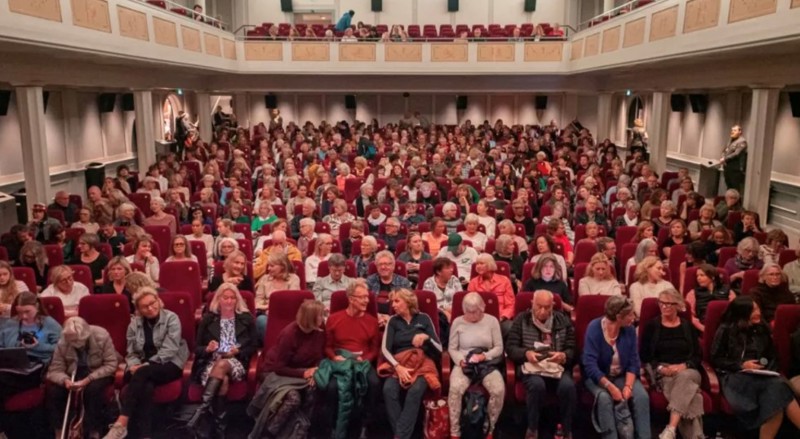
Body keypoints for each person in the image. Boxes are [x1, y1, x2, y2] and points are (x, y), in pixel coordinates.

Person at [103, 287, 188, 439]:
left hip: (169, 363)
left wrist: (145, 366)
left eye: (152, 303)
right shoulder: (134, 325)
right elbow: (132, 352)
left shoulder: (171, 318)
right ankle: (146, 435)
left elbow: (170, 350)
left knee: (142, 374)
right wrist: (134, 365)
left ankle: (121, 422)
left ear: (158, 300)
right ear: (139, 309)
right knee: (146, 386)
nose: (150, 308)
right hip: (143, 368)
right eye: (145, 306)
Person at [710, 296, 800, 438]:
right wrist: (741, 365)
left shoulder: (762, 327)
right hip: (735, 376)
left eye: (758, 308)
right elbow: (716, 359)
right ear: (742, 313)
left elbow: (770, 355)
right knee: (779, 394)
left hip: (762, 375)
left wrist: (763, 365)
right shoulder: (726, 329)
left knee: (777, 390)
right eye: (753, 310)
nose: (758, 313)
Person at [188, 283, 258, 437]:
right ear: (218, 299)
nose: (229, 301)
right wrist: (207, 349)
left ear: (237, 300)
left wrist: (238, 351)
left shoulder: (246, 319)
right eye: (225, 298)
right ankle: (221, 428)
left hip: (236, 362)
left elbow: (254, 346)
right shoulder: (208, 319)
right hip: (210, 363)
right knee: (223, 381)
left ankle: (201, 413)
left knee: (223, 364)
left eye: (232, 298)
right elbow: (196, 348)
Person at [250, 300, 326, 438]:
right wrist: (304, 373)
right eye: (320, 315)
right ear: (310, 318)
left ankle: (300, 431)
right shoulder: (289, 334)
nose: (323, 318)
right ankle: (269, 433)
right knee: (293, 398)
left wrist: (315, 371)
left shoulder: (319, 330)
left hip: (303, 371)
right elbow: (279, 367)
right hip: (277, 372)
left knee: (313, 390)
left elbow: (320, 355)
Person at [506, 290, 576, 439]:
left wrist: (563, 356)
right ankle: (532, 429)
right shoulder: (521, 320)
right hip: (532, 369)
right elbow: (511, 348)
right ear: (532, 304)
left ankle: (566, 429)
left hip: (556, 368)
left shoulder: (563, 320)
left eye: (547, 307)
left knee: (568, 386)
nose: (542, 311)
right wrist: (526, 353)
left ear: (553, 306)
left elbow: (572, 349)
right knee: (537, 386)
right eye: (539, 306)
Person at [582, 295, 650, 439]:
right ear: (619, 317)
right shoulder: (594, 328)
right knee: (605, 398)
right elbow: (590, 365)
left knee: (642, 396)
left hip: (621, 375)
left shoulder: (630, 330)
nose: (634, 317)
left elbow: (633, 361)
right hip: (598, 377)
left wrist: (628, 386)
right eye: (630, 314)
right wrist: (611, 388)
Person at [640, 289, 704, 439]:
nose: (665, 307)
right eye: (662, 303)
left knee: (685, 377)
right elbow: (645, 355)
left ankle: (671, 429)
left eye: (669, 304)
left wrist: (684, 365)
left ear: (678, 306)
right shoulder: (652, 326)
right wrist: (661, 368)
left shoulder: (687, 326)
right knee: (694, 397)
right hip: (664, 372)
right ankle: (697, 436)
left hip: (689, 370)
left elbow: (697, 355)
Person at [320, 279, 381, 438]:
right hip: (340, 362)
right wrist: (334, 357)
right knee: (332, 387)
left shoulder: (372, 321)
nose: (366, 301)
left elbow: (375, 349)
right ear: (351, 299)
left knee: (373, 383)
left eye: (367, 297)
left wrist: (365, 359)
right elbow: (327, 347)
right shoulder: (334, 319)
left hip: (362, 362)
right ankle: (332, 427)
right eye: (362, 297)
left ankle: (365, 426)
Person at [380, 289, 442, 439]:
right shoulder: (393, 321)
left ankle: (400, 436)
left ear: (408, 302)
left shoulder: (424, 318)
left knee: (415, 391)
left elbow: (439, 349)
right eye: (392, 301)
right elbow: (385, 350)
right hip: (400, 362)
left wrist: (426, 337)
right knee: (388, 390)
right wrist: (398, 367)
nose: (392, 305)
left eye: (396, 301)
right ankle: (402, 435)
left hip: (422, 363)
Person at [46, 316, 118, 439]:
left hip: (97, 372)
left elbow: (111, 364)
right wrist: (65, 381)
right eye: (72, 341)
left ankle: (93, 431)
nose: (75, 344)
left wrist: (88, 379)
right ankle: (60, 431)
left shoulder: (101, 335)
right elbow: (55, 370)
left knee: (93, 390)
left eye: (78, 340)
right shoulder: (63, 340)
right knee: (54, 391)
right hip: (72, 373)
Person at [446, 292, 505, 438]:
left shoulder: (492, 321)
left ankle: (489, 428)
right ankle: (455, 431)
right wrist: (460, 361)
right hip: (464, 361)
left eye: (476, 312)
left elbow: (498, 347)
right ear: (464, 310)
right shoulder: (458, 322)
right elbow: (452, 348)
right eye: (469, 312)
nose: (473, 316)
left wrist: (484, 356)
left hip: (486, 362)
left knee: (498, 390)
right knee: (455, 389)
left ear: (482, 308)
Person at [0, 292, 61, 402]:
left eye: (27, 312)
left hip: (36, 367)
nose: (23, 316)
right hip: (10, 365)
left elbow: (61, 349)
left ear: (37, 307)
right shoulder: (10, 323)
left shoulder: (49, 324)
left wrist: (37, 346)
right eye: (19, 312)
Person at [468, 253, 515, 334]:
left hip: (501, 318)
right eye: (477, 264)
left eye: (481, 263)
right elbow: (469, 304)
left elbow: (510, 304)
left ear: (490, 264)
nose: (478, 266)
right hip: (479, 318)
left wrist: (502, 317)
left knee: (510, 327)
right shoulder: (473, 282)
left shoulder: (504, 280)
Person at [685, 264, 735, 332]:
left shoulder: (728, 290)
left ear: (712, 277)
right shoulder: (693, 293)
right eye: (697, 276)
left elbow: (735, 310)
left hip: (725, 327)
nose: (698, 278)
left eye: (702, 275)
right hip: (703, 327)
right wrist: (702, 328)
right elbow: (690, 315)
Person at [366, 250, 412, 317]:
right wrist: (377, 316)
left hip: (397, 319)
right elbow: (364, 303)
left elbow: (409, 305)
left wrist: (391, 318)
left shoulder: (403, 282)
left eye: (386, 264)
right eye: (380, 264)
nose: (383, 267)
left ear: (393, 266)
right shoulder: (369, 281)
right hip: (373, 317)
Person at [720, 125, 748, 193]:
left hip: (735, 169)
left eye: (735, 130)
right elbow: (725, 150)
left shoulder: (742, 141)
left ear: (740, 132)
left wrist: (725, 159)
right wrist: (723, 156)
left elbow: (736, 153)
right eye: (732, 130)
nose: (732, 132)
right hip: (727, 167)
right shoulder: (730, 140)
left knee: (735, 188)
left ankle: (736, 203)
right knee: (729, 186)